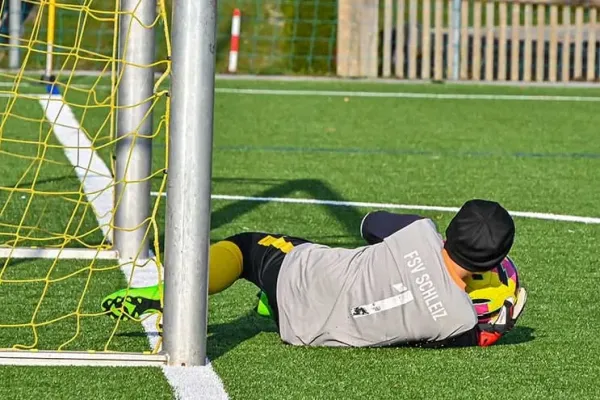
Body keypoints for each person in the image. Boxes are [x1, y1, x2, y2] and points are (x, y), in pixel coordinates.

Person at [102, 199, 527, 348]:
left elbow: (370, 224)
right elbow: (476, 335)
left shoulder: (418, 233)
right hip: (308, 333)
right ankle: (269, 306)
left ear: (451, 229)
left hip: (298, 275)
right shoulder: (457, 320)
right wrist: (499, 323)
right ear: (491, 265)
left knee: (247, 247)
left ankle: (173, 290)